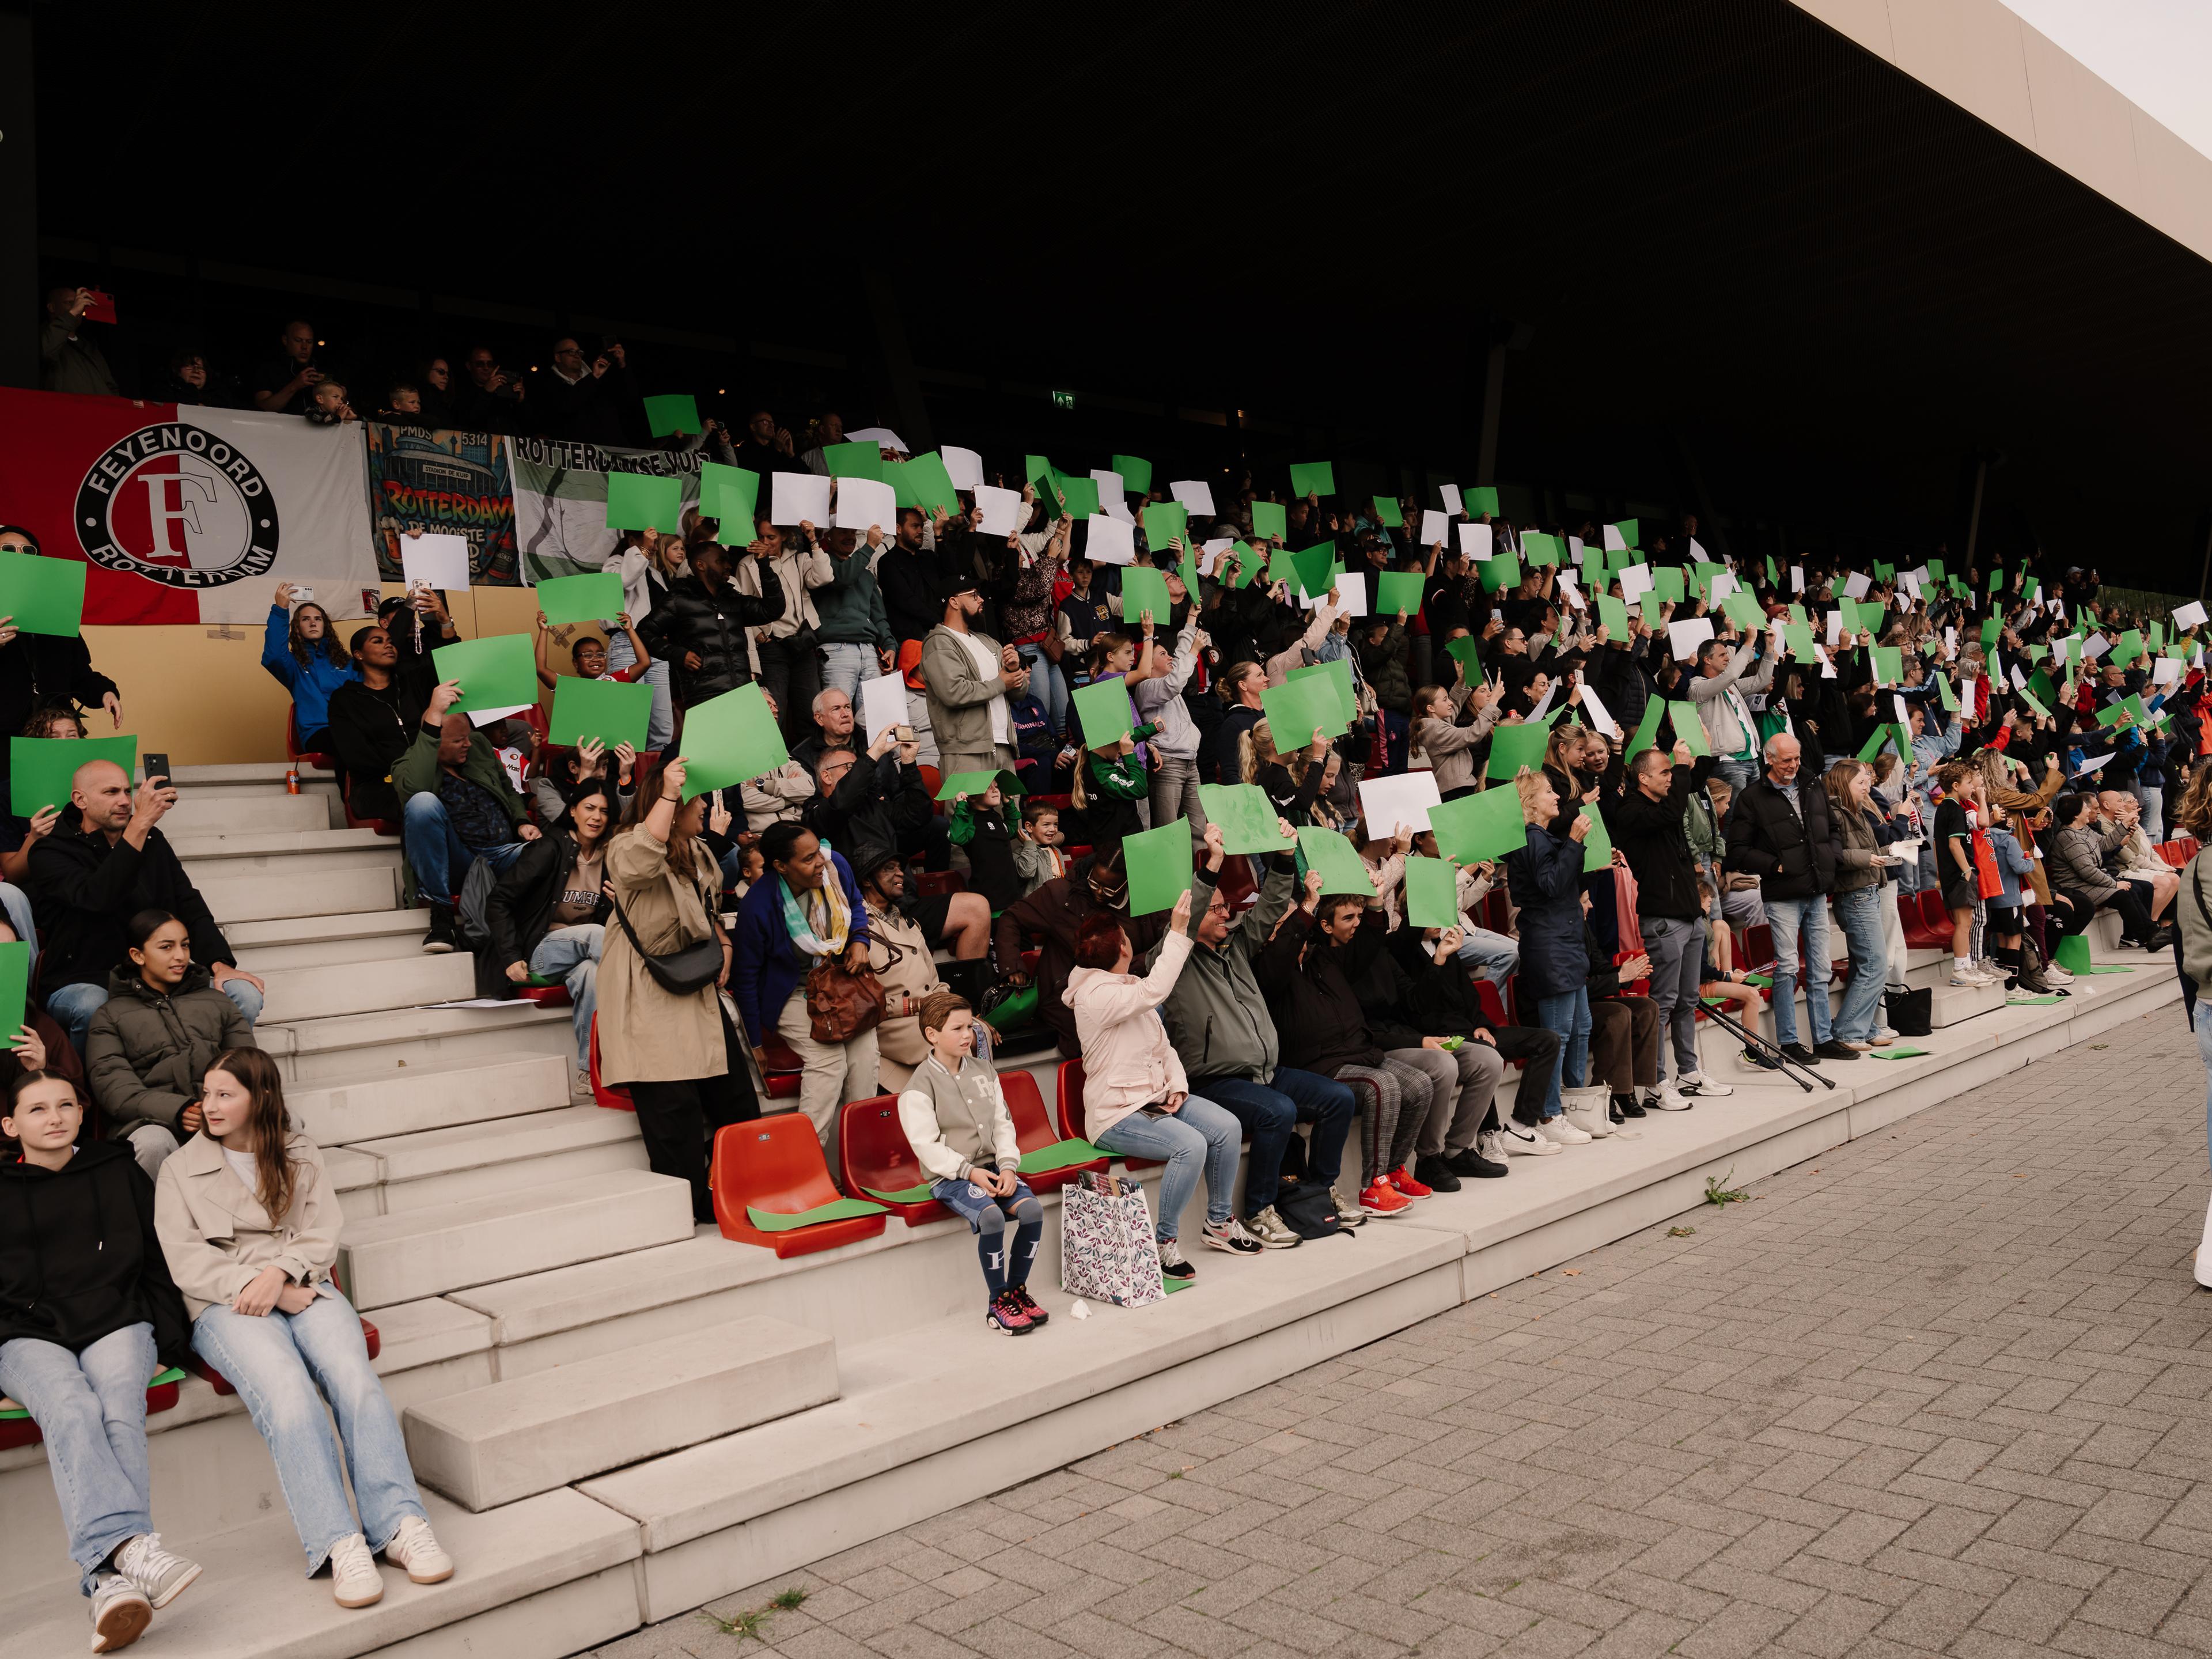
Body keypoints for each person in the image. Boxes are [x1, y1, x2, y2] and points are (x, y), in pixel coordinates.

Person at [154, 1048, 452, 1608]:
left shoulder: (300, 1152)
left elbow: (323, 1230)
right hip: (225, 1304)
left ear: (260, 1098)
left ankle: (400, 1526)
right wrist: (263, 1287)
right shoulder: (178, 1168)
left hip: (305, 1283)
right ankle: (340, 1543)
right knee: (289, 1395)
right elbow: (186, 1261)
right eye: (207, 1093)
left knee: (353, 1379)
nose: (208, 1106)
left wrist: (282, 1274)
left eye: (225, 1094)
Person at [0, 1066, 199, 1653]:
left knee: (116, 1406)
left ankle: (107, 1581)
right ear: (10, 1125)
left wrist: (168, 1339)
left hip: (116, 1318)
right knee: (69, 1404)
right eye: (38, 1109)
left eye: (66, 1105)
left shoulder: (116, 1169)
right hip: (25, 1332)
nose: (56, 1117)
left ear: (83, 1115)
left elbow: (157, 1259)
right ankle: (134, 1552)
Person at [1153, 824, 1363, 1241]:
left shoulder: (1237, 949)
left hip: (1266, 1070)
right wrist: (1213, 863)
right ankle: (1258, 1210)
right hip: (1216, 1080)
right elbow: (1192, 914)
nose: (1224, 912)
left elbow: (1268, 909)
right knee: (1278, 1111)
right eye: (1215, 908)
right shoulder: (1173, 959)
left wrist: (1285, 858)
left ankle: (1320, 1190)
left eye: (1224, 907)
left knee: (1338, 1098)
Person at [1066, 895, 1263, 1278]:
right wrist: (1177, 930)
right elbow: (1155, 992)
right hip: (1116, 1114)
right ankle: (1164, 1244)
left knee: (1227, 1127)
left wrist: (1177, 1086)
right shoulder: (1096, 995)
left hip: (1156, 1099)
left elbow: (1163, 1046)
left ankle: (1219, 1223)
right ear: (1122, 948)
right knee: (1190, 1147)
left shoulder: (1126, 984)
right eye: (1125, 936)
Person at [31, 760, 264, 1051]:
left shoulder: (152, 840)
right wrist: (140, 824)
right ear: (81, 800)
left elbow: (187, 903)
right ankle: (89, 1094)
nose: (125, 802)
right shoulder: (51, 850)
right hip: (83, 978)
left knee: (244, 994)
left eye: (128, 792)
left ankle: (224, 1084)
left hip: (155, 974)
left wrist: (220, 965)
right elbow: (97, 898)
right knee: (94, 1005)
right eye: (111, 792)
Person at [599, 759, 744, 1222]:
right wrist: (667, 792)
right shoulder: (625, 845)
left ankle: (738, 1189)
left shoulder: (696, 849)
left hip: (696, 987)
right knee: (673, 1113)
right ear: (674, 806)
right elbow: (642, 859)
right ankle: (692, 1208)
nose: (703, 807)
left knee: (738, 1102)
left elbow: (708, 906)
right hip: (648, 990)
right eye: (696, 801)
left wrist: (722, 939)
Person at [896, 991, 1048, 1335]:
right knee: (992, 1216)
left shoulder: (984, 1070)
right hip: (951, 1176)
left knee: (1032, 1212)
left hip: (993, 1168)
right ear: (932, 1035)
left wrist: (1008, 1166)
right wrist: (969, 1172)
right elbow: (926, 1146)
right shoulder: (918, 1087)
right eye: (957, 1028)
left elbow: (1002, 1123)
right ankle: (998, 1302)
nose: (968, 1035)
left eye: (970, 1026)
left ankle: (1017, 1292)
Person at [732, 821, 878, 1160]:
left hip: (837, 984)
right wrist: (755, 1042)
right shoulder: (759, 904)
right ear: (782, 866)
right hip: (790, 994)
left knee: (865, 1055)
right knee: (828, 1062)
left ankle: (858, 1159)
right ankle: (804, 1162)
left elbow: (855, 904)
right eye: (809, 858)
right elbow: (747, 977)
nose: (820, 863)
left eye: (818, 852)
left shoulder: (834, 866)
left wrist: (860, 940)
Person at [86, 910, 257, 1179]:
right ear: (137, 955)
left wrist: (219, 1104)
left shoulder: (218, 1002)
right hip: (152, 1122)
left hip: (219, 1112)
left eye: (185, 945)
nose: (180, 956)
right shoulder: (109, 1016)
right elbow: (115, 1090)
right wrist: (178, 1110)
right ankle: (155, 1221)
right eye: (167, 947)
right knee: (153, 1142)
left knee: (287, 1118)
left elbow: (249, 1065)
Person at [1607, 740, 1727, 1107]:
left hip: (1689, 917)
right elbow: (1675, 813)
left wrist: (1700, 753)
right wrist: (1683, 766)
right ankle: (1657, 1081)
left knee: (1689, 999)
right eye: (1665, 771)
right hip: (1662, 920)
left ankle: (1688, 1070)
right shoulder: (1631, 811)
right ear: (1643, 778)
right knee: (1663, 1002)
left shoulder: (1664, 804)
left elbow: (1689, 793)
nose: (1672, 778)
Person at [1725, 732, 1855, 1065]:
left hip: (1816, 887)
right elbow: (1737, 851)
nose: (1794, 765)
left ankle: (1823, 1038)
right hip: (1782, 893)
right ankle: (1789, 1041)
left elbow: (1833, 828)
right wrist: (1775, 865)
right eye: (1786, 760)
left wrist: (1833, 856)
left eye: (1797, 758)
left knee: (1820, 966)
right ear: (1769, 759)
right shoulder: (1752, 797)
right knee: (1785, 968)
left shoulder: (1813, 784)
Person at [486, 779, 615, 1099]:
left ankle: (588, 1071)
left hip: (585, 954)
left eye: (603, 811)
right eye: (589, 808)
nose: (596, 817)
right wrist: (510, 955)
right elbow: (499, 900)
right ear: (572, 811)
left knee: (592, 975)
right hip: (541, 949)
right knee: (596, 936)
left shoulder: (611, 857)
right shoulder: (549, 848)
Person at [394, 681, 541, 952]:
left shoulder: (479, 747)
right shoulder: (408, 765)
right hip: (461, 862)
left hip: (504, 852)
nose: (468, 745)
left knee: (554, 847)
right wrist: (433, 720)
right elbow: (416, 790)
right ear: (435, 742)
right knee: (422, 803)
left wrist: (522, 822)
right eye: (458, 741)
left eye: (468, 738)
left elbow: (508, 789)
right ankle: (442, 916)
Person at [0, 525, 123, 755]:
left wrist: (106, 692)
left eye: (28, 551)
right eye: (8, 550)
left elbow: (78, 675)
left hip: (54, 740)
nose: (19, 556)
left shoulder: (57, 613)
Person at [640, 536, 786, 711]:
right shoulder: (678, 599)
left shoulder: (732, 599)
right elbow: (644, 633)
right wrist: (677, 654)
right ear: (701, 565)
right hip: (703, 696)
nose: (728, 566)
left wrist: (764, 565)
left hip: (742, 690)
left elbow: (773, 609)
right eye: (721, 561)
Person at [922, 571, 1030, 781]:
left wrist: (1014, 671)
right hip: (966, 751)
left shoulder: (989, 642)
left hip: (1003, 746)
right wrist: (1002, 682)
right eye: (974, 594)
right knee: (967, 814)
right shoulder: (939, 642)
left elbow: (1019, 693)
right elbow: (954, 692)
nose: (981, 599)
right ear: (954, 602)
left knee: (1010, 814)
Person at [1825, 757, 1902, 1045]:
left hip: (1867, 891)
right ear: (1844, 784)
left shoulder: (1855, 810)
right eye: (1861, 783)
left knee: (1865, 965)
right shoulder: (1835, 813)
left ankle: (1867, 1027)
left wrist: (1891, 850)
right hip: (1855, 896)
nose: (1867, 788)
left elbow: (1866, 849)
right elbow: (1835, 855)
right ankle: (1847, 1030)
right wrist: (1867, 857)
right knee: (1875, 966)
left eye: (1868, 782)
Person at [739, 519, 833, 743]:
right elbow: (741, 604)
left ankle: (806, 769)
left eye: (771, 537)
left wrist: (812, 540)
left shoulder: (798, 558)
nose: (765, 542)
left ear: (783, 537)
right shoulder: (747, 564)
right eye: (761, 537)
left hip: (801, 643)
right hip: (772, 646)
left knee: (809, 711)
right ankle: (774, 770)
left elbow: (825, 577)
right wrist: (759, 636)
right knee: (774, 711)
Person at [325, 624, 418, 824]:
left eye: (391, 642)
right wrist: (407, 771)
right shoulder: (345, 700)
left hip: (425, 777)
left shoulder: (411, 688)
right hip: (376, 786)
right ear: (359, 655)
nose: (389, 646)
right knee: (421, 802)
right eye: (378, 641)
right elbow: (356, 755)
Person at [262, 582, 357, 751]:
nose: (313, 623)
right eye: (306, 619)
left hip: (354, 730)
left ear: (325, 626)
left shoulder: (348, 663)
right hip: (319, 732)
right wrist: (280, 609)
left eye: (318, 619)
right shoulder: (294, 666)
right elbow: (274, 656)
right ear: (297, 629)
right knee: (352, 744)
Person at [1687, 631, 1779, 794]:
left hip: (1751, 759)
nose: (1727, 658)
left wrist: (1769, 647)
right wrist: (1749, 641)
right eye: (1722, 655)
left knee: (1752, 815)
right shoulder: (1697, 688)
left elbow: (1762, 680)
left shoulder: (1731, 685)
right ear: (1707, 660)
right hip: (1728, 762)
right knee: (1735, 816)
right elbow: (1731, 675)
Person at [814, 527, 897, 703]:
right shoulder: (822, 565)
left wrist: (889, 644)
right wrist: (869, 546)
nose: (850, 537)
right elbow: (843, 578)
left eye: (853, 533)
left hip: (868, 650)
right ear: (828, 537)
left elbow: (879, 617)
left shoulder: (866, 575)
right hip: (836, 650)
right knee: (838, 716)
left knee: (876, 717)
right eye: (843, 532)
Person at [40, 286, 119, 396]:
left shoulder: (89, 345)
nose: (79, 307)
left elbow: (111, 386)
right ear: (52, 307)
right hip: (68, 409)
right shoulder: (44, 335)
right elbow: (47, 352)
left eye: (79, 303)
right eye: (69, 303)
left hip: (100, 410)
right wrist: (72, 313)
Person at [251, 319, 325, 416]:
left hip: (317, 430)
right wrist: (295, 385)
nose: (304, 347)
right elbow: (263, 408)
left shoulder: (320, 369)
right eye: (298, 341)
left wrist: (340, 395)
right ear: (285, 340)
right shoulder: (269, 369)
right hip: (278, 430)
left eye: (309, 342)